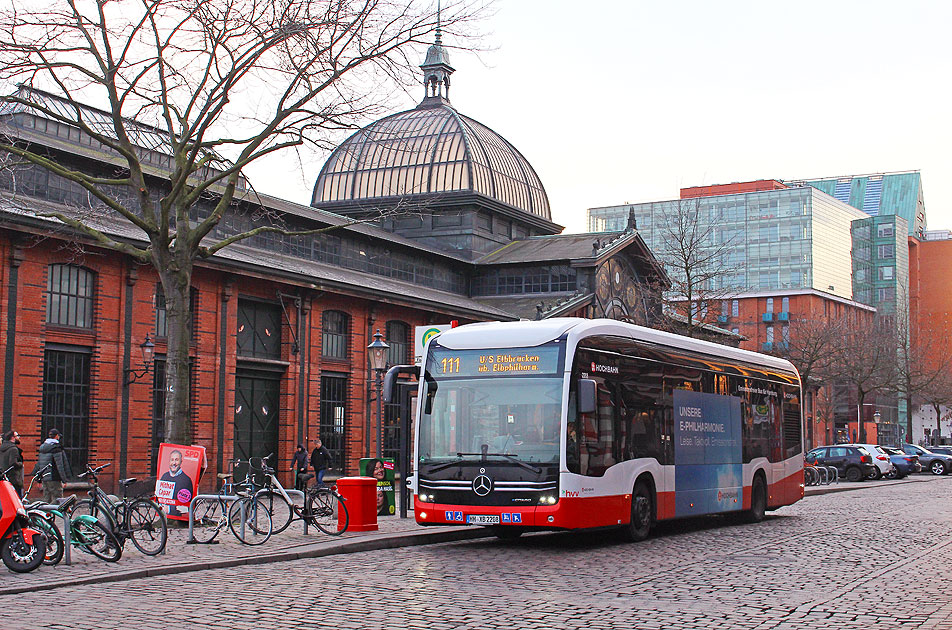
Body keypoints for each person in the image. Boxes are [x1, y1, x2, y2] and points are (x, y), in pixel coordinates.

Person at [33, 428, 72, 504]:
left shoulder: (43, 447)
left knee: (46, 498)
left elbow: (39, 464)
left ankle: (45, 511)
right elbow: (60, 465)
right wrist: (64, 479)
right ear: (57, 436)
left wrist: (38, 479)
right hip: (54, 477)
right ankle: (52, 511)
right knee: (57, 499)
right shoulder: (56, 448)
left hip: (44, 477)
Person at [159, 449, 193, 516]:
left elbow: (186, 507)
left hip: (178, 518)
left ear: (181, 462)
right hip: (164, 517)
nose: (174, 463)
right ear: (169, 462)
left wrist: (169, 509)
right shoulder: (164, 477)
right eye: (172, 460)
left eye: (176, 460)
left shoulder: (186, 480)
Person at [0, 430, 24, 498]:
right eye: (17, 436)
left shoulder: (2, 448)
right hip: (14, 478)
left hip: (4, 478)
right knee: (17, 498)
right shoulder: (13, 449)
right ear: (12, 437)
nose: (18, 438)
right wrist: (20, 464)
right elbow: (13, 463)